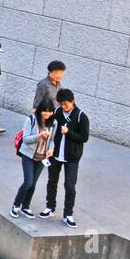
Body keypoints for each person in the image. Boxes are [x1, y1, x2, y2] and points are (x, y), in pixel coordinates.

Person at [42, 89, 89, 227]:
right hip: (55, 154)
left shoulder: (81, 116)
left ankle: (68, 214)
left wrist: (69, 132)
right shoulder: (57, 112)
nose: (64, 106)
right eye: (61, 104)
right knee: (52, 181)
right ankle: (50, 207)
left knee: (70, 186)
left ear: (72, 101)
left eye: (66, 104)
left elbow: (84, 137)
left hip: (72, 157)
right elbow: (49, 125)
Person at [11, 99, 57, 218]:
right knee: (28, 182)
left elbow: (52, 140)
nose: (47, 114)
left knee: (33, 184)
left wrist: (51, 149)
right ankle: (16, 205)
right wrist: (39, 136)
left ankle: (25, 206)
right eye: (45, 112)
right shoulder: (31, 120)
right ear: (40, 110)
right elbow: (26, 139)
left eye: (50, 112)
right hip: (28, 154)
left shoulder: (53, 123)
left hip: (42, 157)